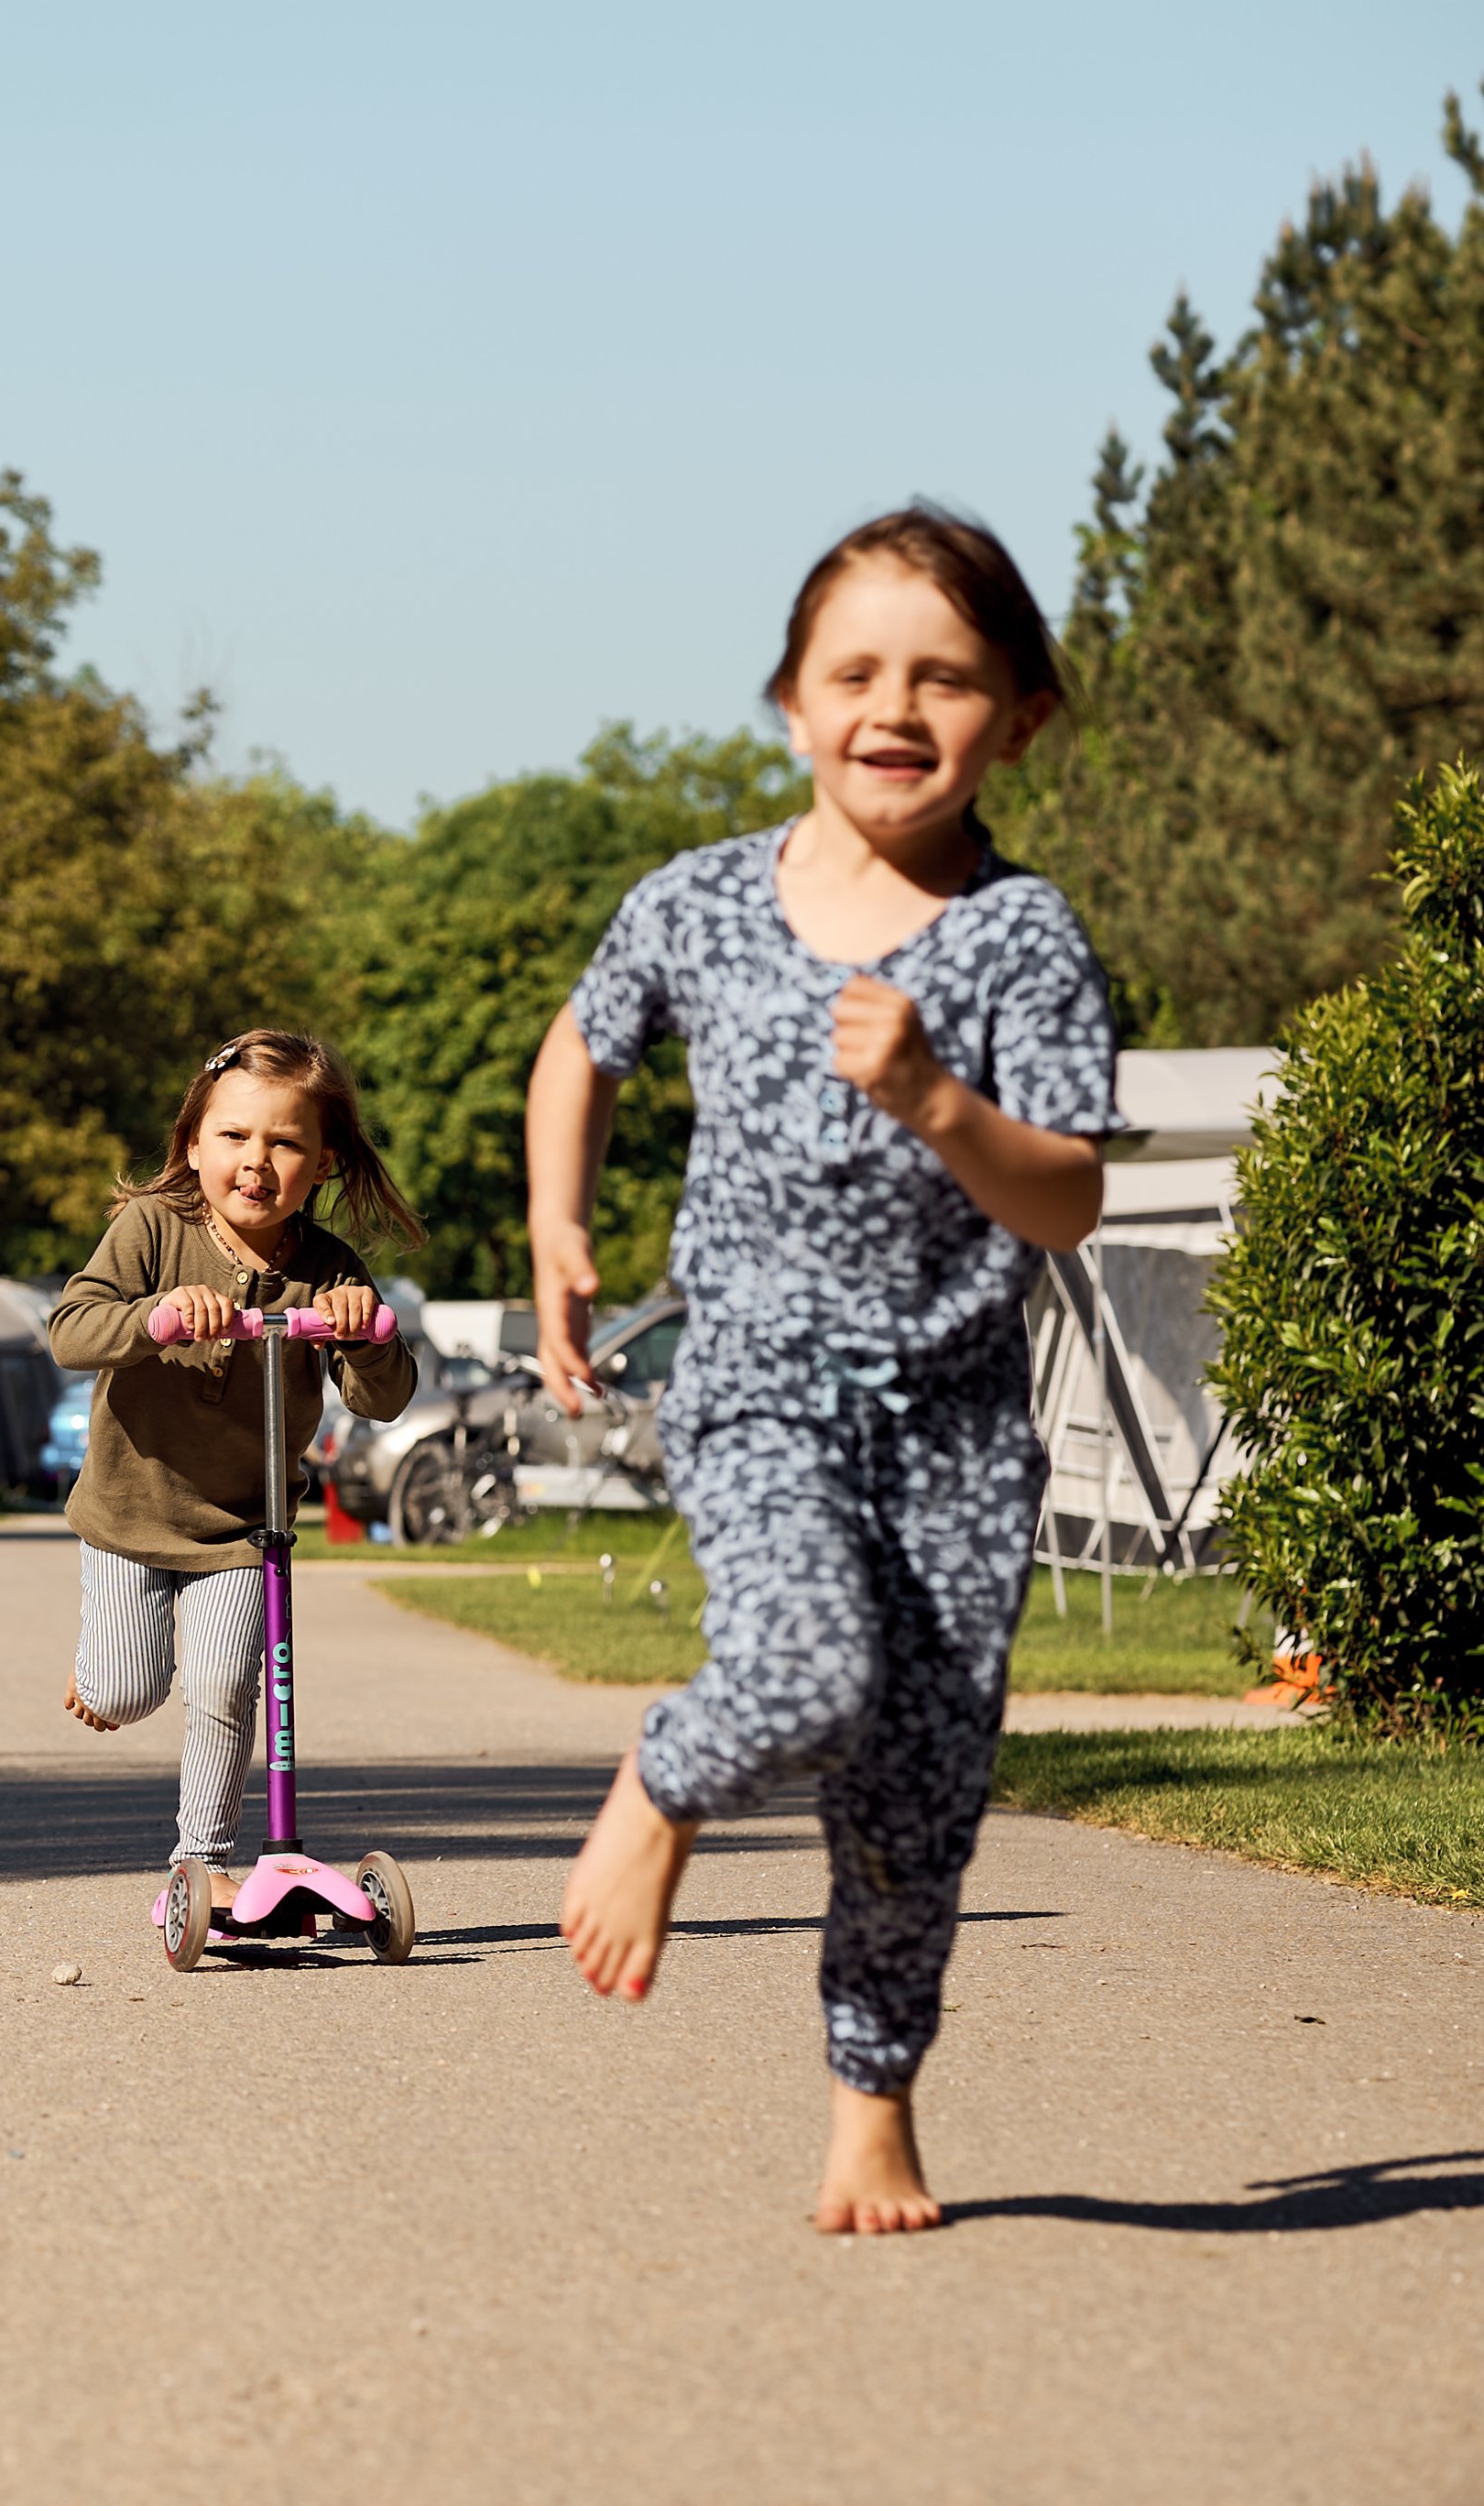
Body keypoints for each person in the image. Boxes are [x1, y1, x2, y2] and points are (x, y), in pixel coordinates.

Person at [531, 505, 1118, 2235]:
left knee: (913, 1803)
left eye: (946, 677)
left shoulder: (1024, 940)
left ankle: (873, 2098)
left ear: (1015, 717)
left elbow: (1069, 1197)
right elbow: (581, 1047)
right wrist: (560, 1228)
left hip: (953, 1426)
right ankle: (661, 1782)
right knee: (799, 1675)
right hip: (763, 1382)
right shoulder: (701, 903)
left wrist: (941, 1103)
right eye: (853, 670)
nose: (895, 705)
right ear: (789, 701)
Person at [49, 1031, 421, 1920]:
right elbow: (70, 1329)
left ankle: (202, 1861)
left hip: (242, 1531)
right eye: (234, 1136)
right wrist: (157, 1316)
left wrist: (362, 1331)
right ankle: (100, 1677)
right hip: (130, 1514)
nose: (256, 1161)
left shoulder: (327, 1271)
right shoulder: (150, 1231)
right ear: (191, 1143)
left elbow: (384, 1398)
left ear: (322, 1160)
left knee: (224, 1683)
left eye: (285, 1143)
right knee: (126, 1688)